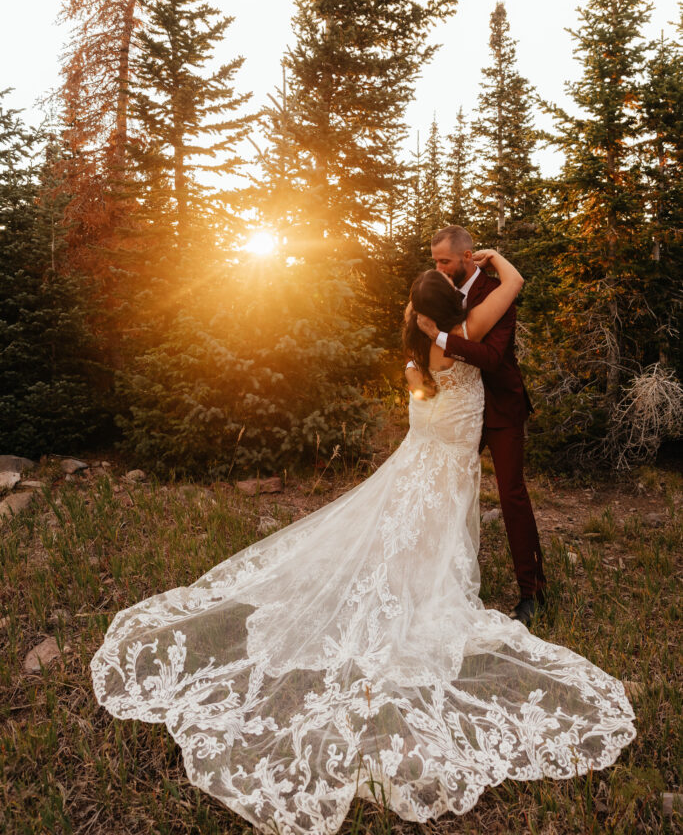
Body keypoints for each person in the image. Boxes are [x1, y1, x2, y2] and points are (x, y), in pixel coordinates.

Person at [91, 253, 635, 835]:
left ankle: (406, 577)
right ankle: (419, 586)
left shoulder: (424, 350)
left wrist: (419, 375)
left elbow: (423, 397)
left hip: (429, 451)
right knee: (432, 523)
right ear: (447, 307)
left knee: (415, 519)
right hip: (448, 458)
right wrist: (491, 261)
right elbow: (512, 289)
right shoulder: (464, 333)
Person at [416, 225, 545, 626]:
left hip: (501, 408)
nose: (437, 268)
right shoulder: (438, 289)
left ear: (467, 257)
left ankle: (533, 592)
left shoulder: (495, 292)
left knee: (511, 494)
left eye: (445, 261)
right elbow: (416, 341)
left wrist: (439, 338)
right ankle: (438, 576)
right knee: (442, 486)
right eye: (434, 260)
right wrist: (415, 365)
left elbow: (490, 357)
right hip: (460, 409)